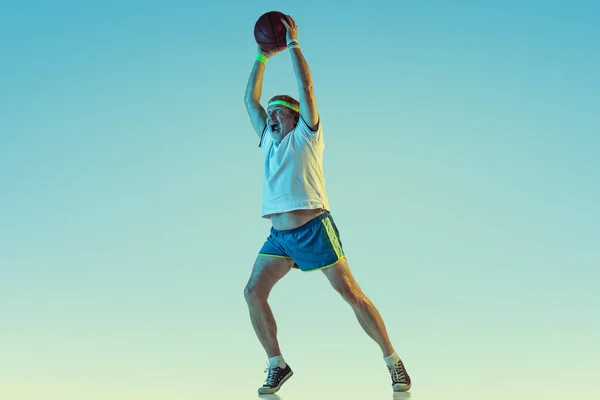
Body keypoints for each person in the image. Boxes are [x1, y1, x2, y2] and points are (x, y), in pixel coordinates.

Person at [243, 14, 411, 395]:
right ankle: (277, 364)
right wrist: (261, 58)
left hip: (314, 229)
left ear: (295, 116)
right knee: (253, 292)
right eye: (269, 112)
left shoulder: (307, 136)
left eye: (278, 111)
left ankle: (393, 361)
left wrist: (293, 45)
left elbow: (306, 85)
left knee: (350, 293)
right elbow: (249, 100)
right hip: (279, 239)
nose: (270, 114)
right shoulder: (267, 141)